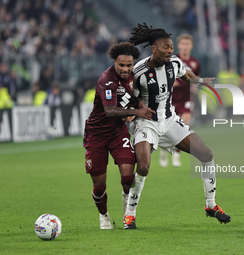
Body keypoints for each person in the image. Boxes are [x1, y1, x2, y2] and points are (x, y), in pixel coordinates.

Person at [123, 23, 231, 229]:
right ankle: (130, 214)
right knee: (144, 167)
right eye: (166, 47)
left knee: (207, 155)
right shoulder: (138, 72)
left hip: (171, 120)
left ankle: (211, 206)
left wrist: (199, 81)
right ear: (154, 48)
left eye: (171, 47)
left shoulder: (174, 63)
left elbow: (186, 74)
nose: (170, 50)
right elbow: (131, 99)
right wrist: (132, 115)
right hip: (147, 124)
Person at [83, 42, 155, 229]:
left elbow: (132, 96)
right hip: (97, 134)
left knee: (128, 176)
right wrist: (137, 112)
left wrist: (137, 104)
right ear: (114, 62)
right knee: (99, 186)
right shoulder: (106, 80)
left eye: (129, 65)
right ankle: (104, 216)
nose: (125, 69)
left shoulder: (133, 76)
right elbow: (110, 111)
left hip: (118, 132)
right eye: (121, 65)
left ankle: (126, 204)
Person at [159, 33, 200, 168]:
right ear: (179, 46)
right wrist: (170, 83)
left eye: (187, 44)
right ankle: (165, 149)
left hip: (186, 98)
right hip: (170, 98)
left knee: (184, 124)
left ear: (191, 46)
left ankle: (176, 154)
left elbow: (196, 79)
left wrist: (196, 86)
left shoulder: (195, 63)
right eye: (182, 44)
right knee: (167, 128)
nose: (185, 47)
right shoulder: (171, 60)